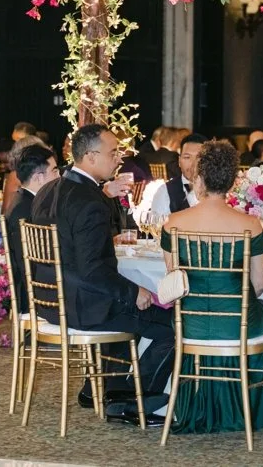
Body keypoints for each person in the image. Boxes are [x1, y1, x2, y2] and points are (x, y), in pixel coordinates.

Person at [30, 124, 175, 422]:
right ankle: (133, 401)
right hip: (83, 306)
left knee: (126, 307)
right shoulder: (88, 202)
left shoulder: (47, 191)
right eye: (113, 152)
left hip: (49, 302)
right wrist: (135, 292)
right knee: (174, 325)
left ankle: (103, 387)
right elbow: (94, 270)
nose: (118, 158)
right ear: (91, 157)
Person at [160, 141, 263, 433]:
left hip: (190, 323)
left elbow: (174, 279)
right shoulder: (252, 225)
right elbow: (258, 285)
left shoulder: (173, 223)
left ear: (198, 178)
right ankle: (245, 406)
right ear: (233, 182)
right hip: (238, 324)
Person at [4, 143, 59, 310]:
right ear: (38, 177)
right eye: (55, 171)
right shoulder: (26, 209)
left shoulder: (27, 201)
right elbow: (35, 261)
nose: (59, 176)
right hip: (38, 290)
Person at [150, 133, 206, 220]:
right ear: (179, 161)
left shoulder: (218, 191)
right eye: (187, 157)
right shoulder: (165, 192)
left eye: (199, 158)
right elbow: (157, 228)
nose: (193, 164)